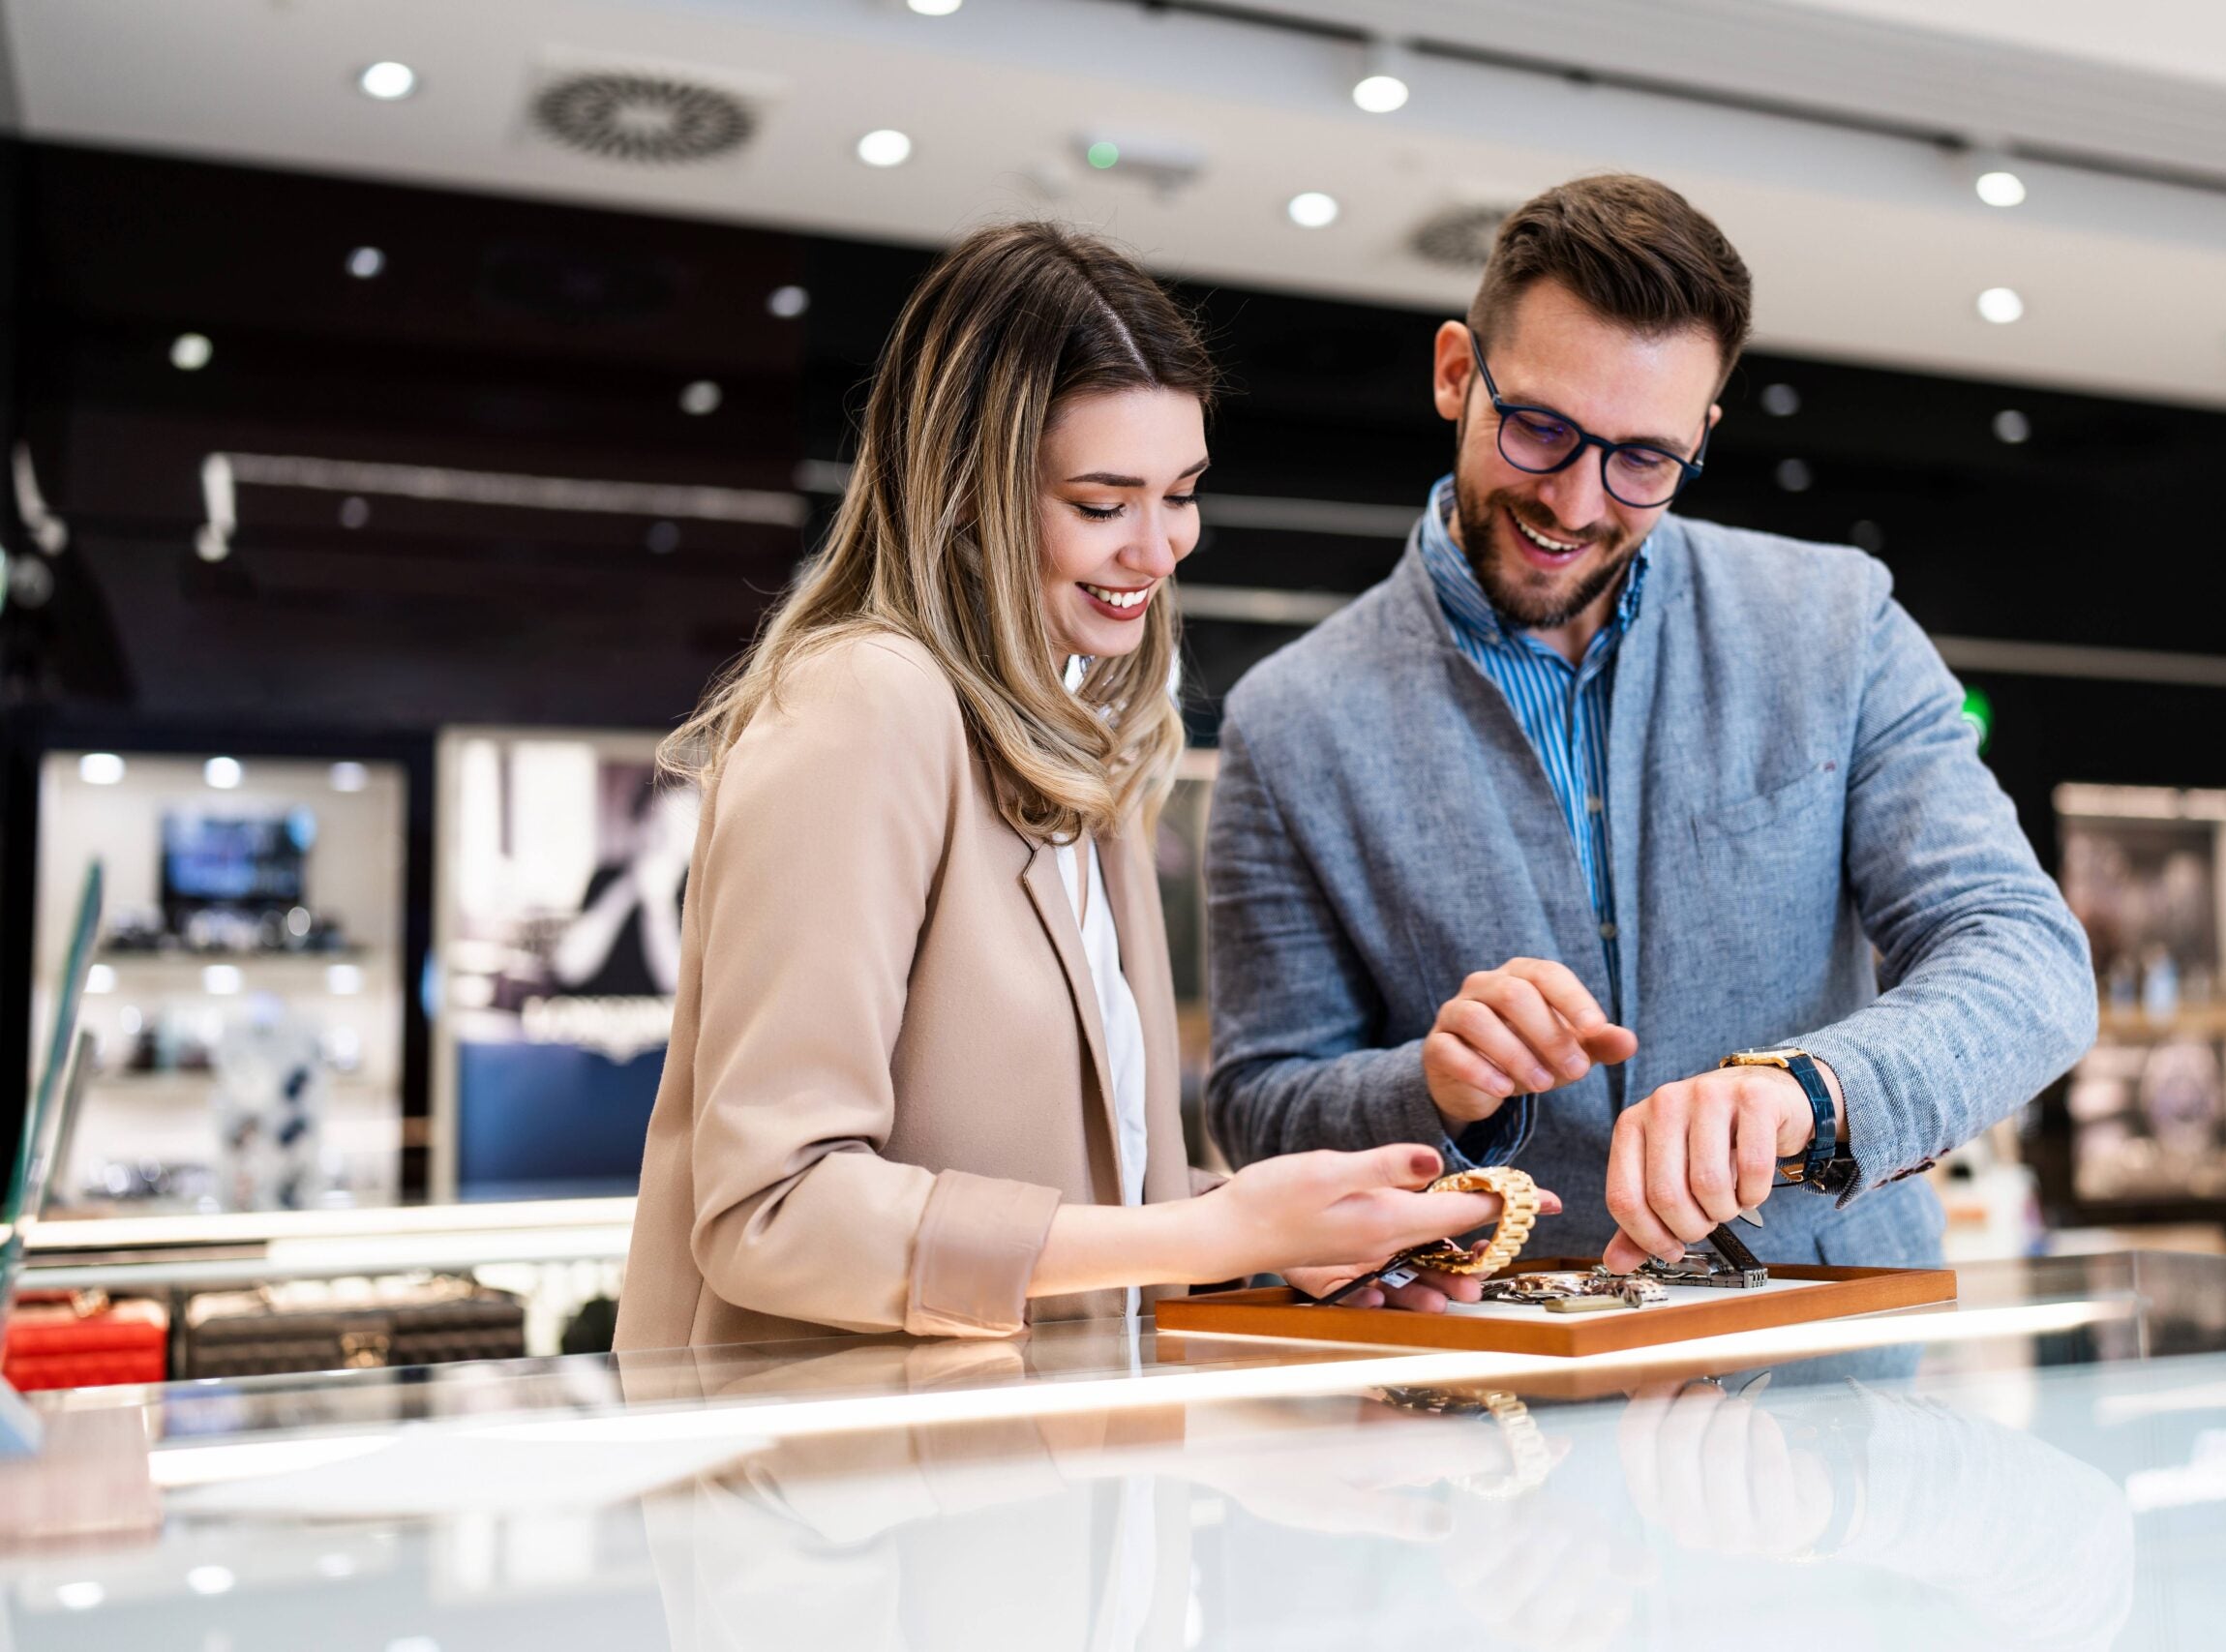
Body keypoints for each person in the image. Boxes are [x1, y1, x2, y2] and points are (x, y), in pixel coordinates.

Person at [615, 224, 1509, 1352]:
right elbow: (774, 1211)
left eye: (1180, 492)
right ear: (965, 495)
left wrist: (1278, 1241)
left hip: (1035, 1491)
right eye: (1101, 504)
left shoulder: (1081, 736)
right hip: (858, 1500)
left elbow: (1088, 1193)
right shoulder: (865, 701)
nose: (1158, 547)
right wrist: (1205, 1238)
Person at [1204, 173, 2096, 1278]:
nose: (1575, 505)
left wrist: (1807, 1097)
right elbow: (1256, 1103)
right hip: (1497, 1376)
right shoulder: (1290, 720)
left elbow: (2025, 959)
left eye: (1642, 459)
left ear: (1700, 437)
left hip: (1833, 1352)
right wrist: (1432, 1088)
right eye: (1538, 429)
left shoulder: (1835, 622)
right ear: (1453, 374)